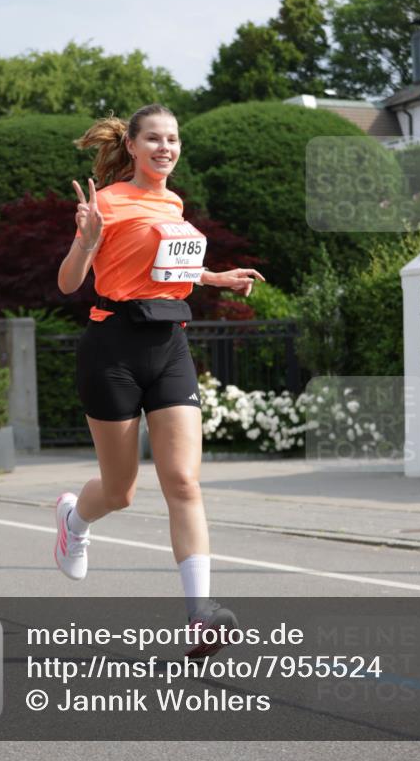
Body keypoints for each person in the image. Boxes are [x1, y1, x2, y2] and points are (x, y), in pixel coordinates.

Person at [56, 104, 264, 657]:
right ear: (132, 144)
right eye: (154, 139)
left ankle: (200, 615)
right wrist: (85, 239)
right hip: (112, 349)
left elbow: (166, 269)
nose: (165, 148)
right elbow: (69, 281)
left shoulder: (173, 202)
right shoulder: (106, 202)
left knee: (183, 481)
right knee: (120, 492)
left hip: (170, 345)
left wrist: (215, 276)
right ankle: (74, 520)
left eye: (172, 139)